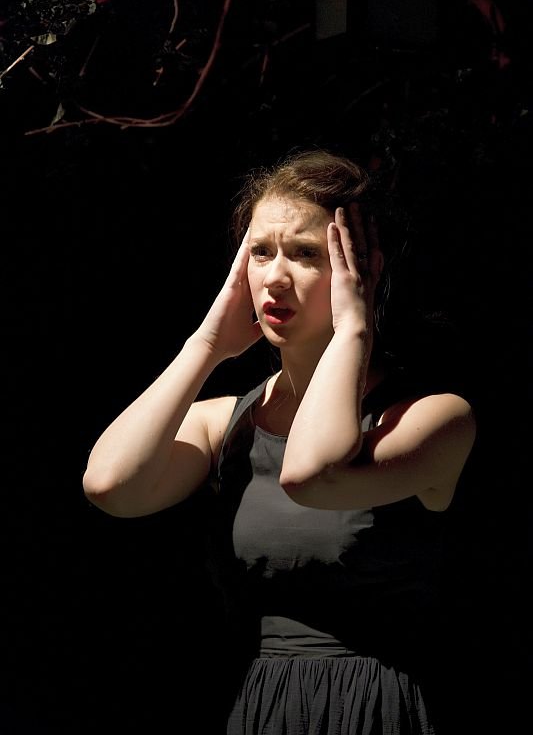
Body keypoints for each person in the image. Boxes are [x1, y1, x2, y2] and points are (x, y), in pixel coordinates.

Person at [83, 148, 477, 734]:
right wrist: (206, 345)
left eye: (306, 253)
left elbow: (312, 475)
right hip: (263, 710)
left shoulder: (431, 418)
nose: (274, 276)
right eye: (260, 252)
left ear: (365, 270)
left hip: (375, 711)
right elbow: (110, 486)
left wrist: (354, 329)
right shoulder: (226, 423)